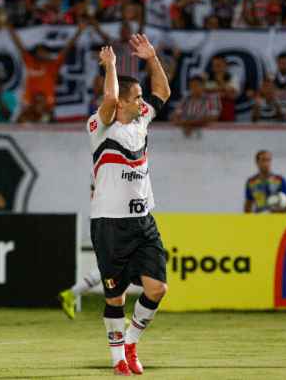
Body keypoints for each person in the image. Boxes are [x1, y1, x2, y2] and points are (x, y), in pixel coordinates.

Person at [87, 33, 171, 376]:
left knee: (157, 287)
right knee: (115, 298)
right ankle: (117, 359)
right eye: (136, 98)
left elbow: (163, 92)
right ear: (121, 102)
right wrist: (111, 67)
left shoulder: (142, 122)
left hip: (142, 222)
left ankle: (132, 342)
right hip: (109, 224)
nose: (142, 102)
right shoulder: (99, 128)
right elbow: (108, 97)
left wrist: (151, 59)